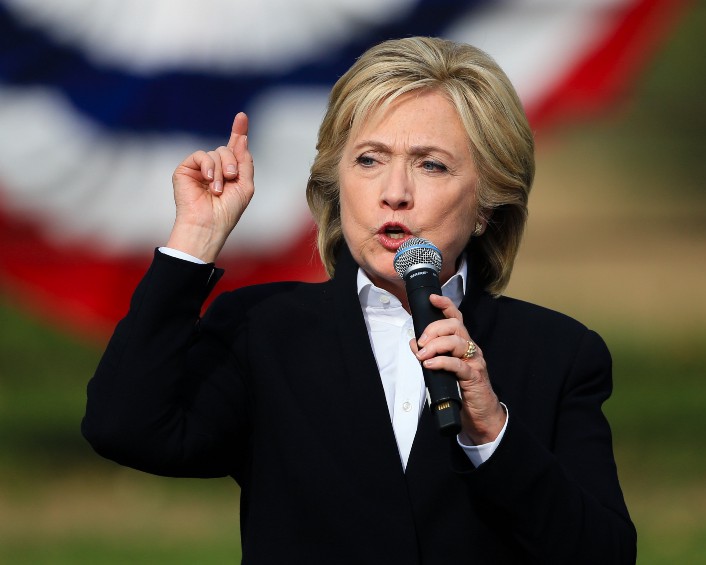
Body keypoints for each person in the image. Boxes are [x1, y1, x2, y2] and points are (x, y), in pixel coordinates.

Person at [82, 36, 636, 564]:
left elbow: (603, 554)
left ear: (489, 200)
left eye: (431, 164)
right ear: (336, 180)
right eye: (369, 159)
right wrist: (195, 240)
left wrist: (492, 431)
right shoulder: (264, 329)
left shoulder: (559, 354)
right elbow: (125, 427)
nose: (394, 191)